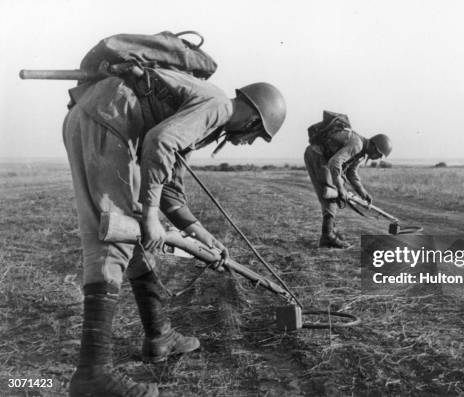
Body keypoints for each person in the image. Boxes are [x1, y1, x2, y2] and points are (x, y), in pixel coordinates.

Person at [63, 66, 286, 397]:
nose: (249, 141)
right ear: (253, 119)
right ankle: (92, 374)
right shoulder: (219, 106)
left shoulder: (204, 116)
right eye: (257, 135)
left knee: (134, 237)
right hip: (107, 117)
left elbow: (169, 185)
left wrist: (201, 235)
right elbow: (160, 141)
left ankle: (159, 336)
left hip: (97, 115)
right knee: (113, 238)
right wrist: (151, 216)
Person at [304, 111, 392, 249]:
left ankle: (330, 231)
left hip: (323, 158)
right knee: (331, 193)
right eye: (378, 155)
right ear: (374, 146)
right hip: (316, 154)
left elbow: (352, 173)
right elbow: (334, 163)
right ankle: (328, 236)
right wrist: (340, 188)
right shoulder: (357, 144)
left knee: (333, 194)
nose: (376, 158)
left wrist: (363, 192)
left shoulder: (362, 154)